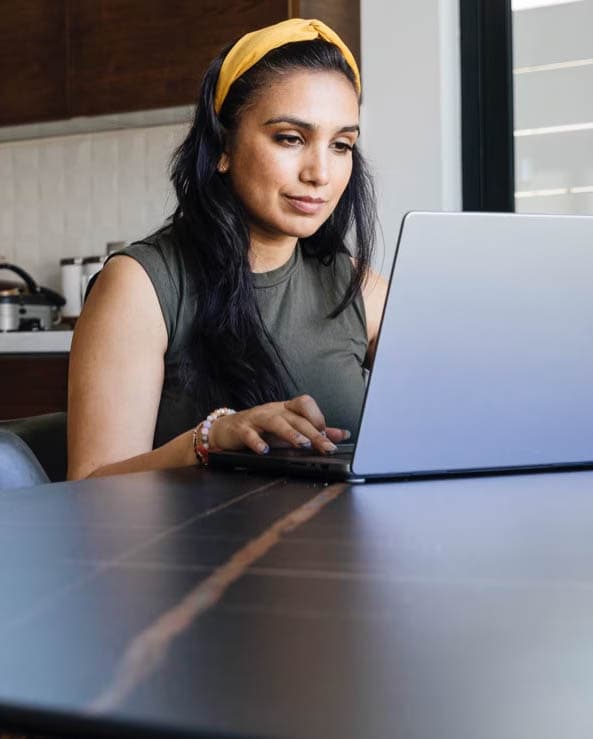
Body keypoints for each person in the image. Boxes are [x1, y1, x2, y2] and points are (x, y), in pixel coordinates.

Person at [68, 18, 388, 480]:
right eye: (290, 138)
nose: (321, 172)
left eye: (341, 145)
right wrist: (210, 439)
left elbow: (459, 408)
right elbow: (88, 488)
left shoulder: (358, 288)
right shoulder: (140, 287)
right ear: (222, 147)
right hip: (197, 550)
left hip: (338, 549)